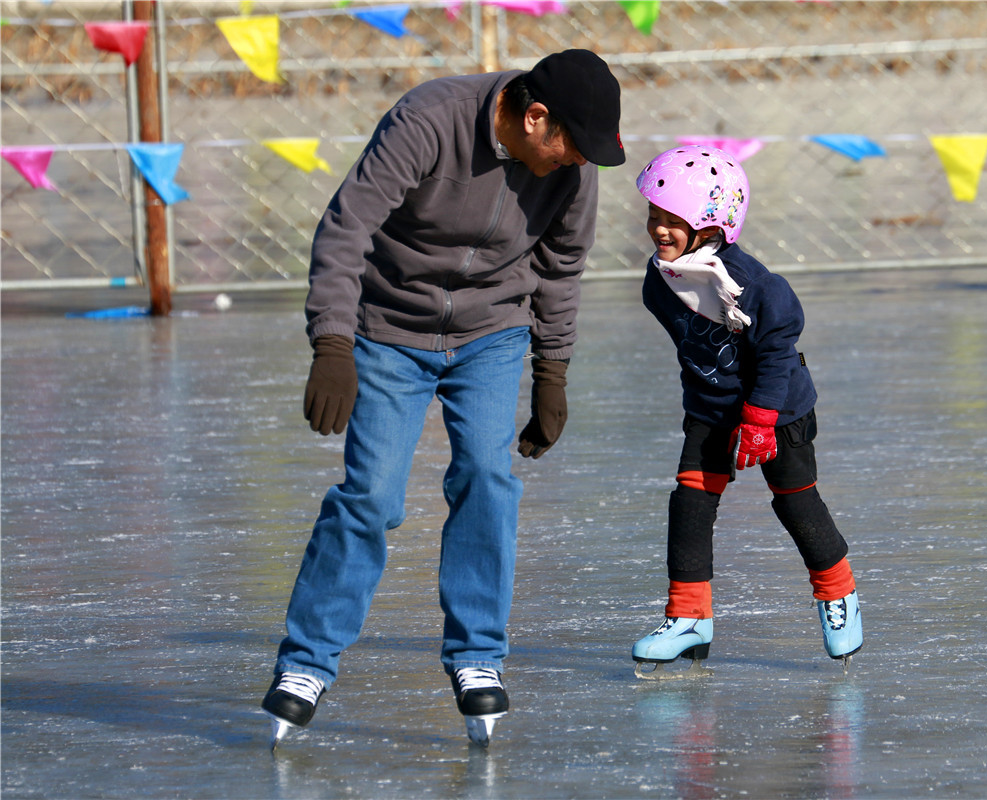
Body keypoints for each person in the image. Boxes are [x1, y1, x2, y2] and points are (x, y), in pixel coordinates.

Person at [261, 49, 624, 748]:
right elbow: (346, 229)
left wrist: (553, 371)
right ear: (535, 116)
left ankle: (477, 656)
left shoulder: (572, 169)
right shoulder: (429, 121)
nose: (577, 163)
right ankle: (307, 663)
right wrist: (333, 344)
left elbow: (561, 267)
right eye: (571, 147)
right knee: (371, 495)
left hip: (492, 332)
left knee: (488, 478)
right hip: (387, 329)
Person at [628, 145, 863, 678]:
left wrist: (759, 421)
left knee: (796, 501)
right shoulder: (662, 282)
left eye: (674, 222)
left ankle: (837, 592)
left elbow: (776, 359)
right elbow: (693, 346)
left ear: (713, 223)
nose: (659, 231)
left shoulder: (759, 288)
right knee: (690, 500)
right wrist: (709, 406)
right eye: (654, 217)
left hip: (778, 410)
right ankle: (689, 617)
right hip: (712, 411)